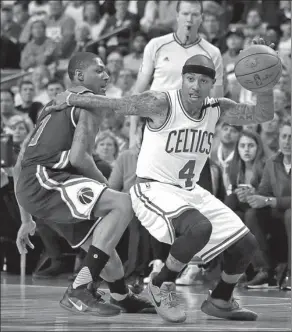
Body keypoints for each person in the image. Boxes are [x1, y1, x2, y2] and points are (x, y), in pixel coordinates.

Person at [48, 38, 276, 323]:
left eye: (202, 81)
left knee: (247, 244)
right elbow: (119, 104)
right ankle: (160, 283)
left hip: (189, 191)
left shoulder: (218, 108)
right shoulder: (161, 103)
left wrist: (264, 84)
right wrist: (72, 97)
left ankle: (220, 299)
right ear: (182, 79)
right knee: (199, 227)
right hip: (151, 188)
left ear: (211, 85)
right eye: (190, 78)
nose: (195, 85)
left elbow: (263, 114)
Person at [14, 52, 153, 316]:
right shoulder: (87, 106)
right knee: (123, 203)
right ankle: (79, 289)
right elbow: (79, 157)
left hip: (37, 185)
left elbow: (20, 162)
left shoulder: (49, 109)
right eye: (99, 71)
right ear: (79, 76)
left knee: (106, 254)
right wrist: (105, 188)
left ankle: (121, 296)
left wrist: (27, 219)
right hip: (47, 180)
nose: (107, 76)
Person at [129, 0, 223, 148]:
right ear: (177, 16)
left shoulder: (213, 53)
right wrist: (133, 134)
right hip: (156, 126)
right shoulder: (156, 45)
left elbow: (216, 100)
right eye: (185, 14)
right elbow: (137, 92)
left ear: (201, 18)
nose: (189, 19)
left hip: (190, 131)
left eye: (195, 14)